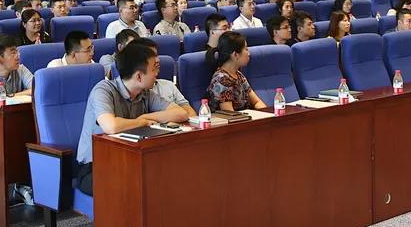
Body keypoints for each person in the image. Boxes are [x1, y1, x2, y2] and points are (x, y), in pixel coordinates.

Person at [74, 40, 188, 195]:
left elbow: (181, 113)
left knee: (172, 174)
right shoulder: (103, 90)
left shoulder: (145, 93)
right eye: (154, 69)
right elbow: (111, 126)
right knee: (137, 184)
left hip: (129, 160)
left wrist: (146, 116)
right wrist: (141, 122)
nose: (157, 73)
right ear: (139, 76)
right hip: (94, 167)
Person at [128, 37, 195, 118]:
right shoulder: (136, 93)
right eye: (151, 56)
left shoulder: (168, 85)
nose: (157, 60)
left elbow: (188, 112)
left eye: (156, 55)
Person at [207, 31, 267, 112]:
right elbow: (230, 114)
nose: (249, 54)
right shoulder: (222, 80)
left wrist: (267, 114)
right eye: (246, 49)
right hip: (234, 119)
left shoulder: (238, 75)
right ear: (235, 54)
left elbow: (256, 102)